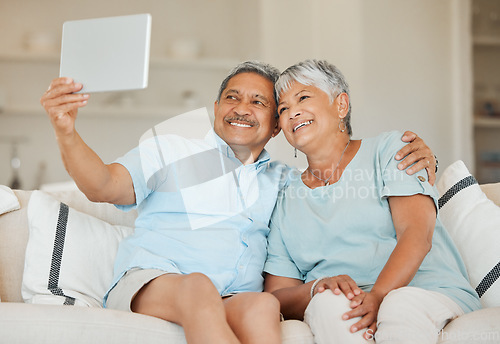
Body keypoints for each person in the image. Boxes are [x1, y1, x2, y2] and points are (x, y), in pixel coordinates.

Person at [40, 61, 435, 344]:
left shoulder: (283, 182)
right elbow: (103, 186)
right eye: (232, 97)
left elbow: (336, 188)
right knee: (197, 288)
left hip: (233, 297)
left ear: (277, 126)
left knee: (263, 307)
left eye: (260, 103)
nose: (242, 108)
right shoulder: (170, 150)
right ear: (216, 110)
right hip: (156, 282)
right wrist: (66, 132)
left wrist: (423, 159)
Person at [263, 60, 481, 344]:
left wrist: (378, 295)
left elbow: (417, 234)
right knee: (328, 304)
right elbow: (277, 295)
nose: (292, 112)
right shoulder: (285, 198)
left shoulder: (392, 150)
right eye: (283, 109)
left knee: (398, 304)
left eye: (303, 97)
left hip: (425, 290)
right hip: (342, 302)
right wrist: (316, 287)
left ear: (341, 105)